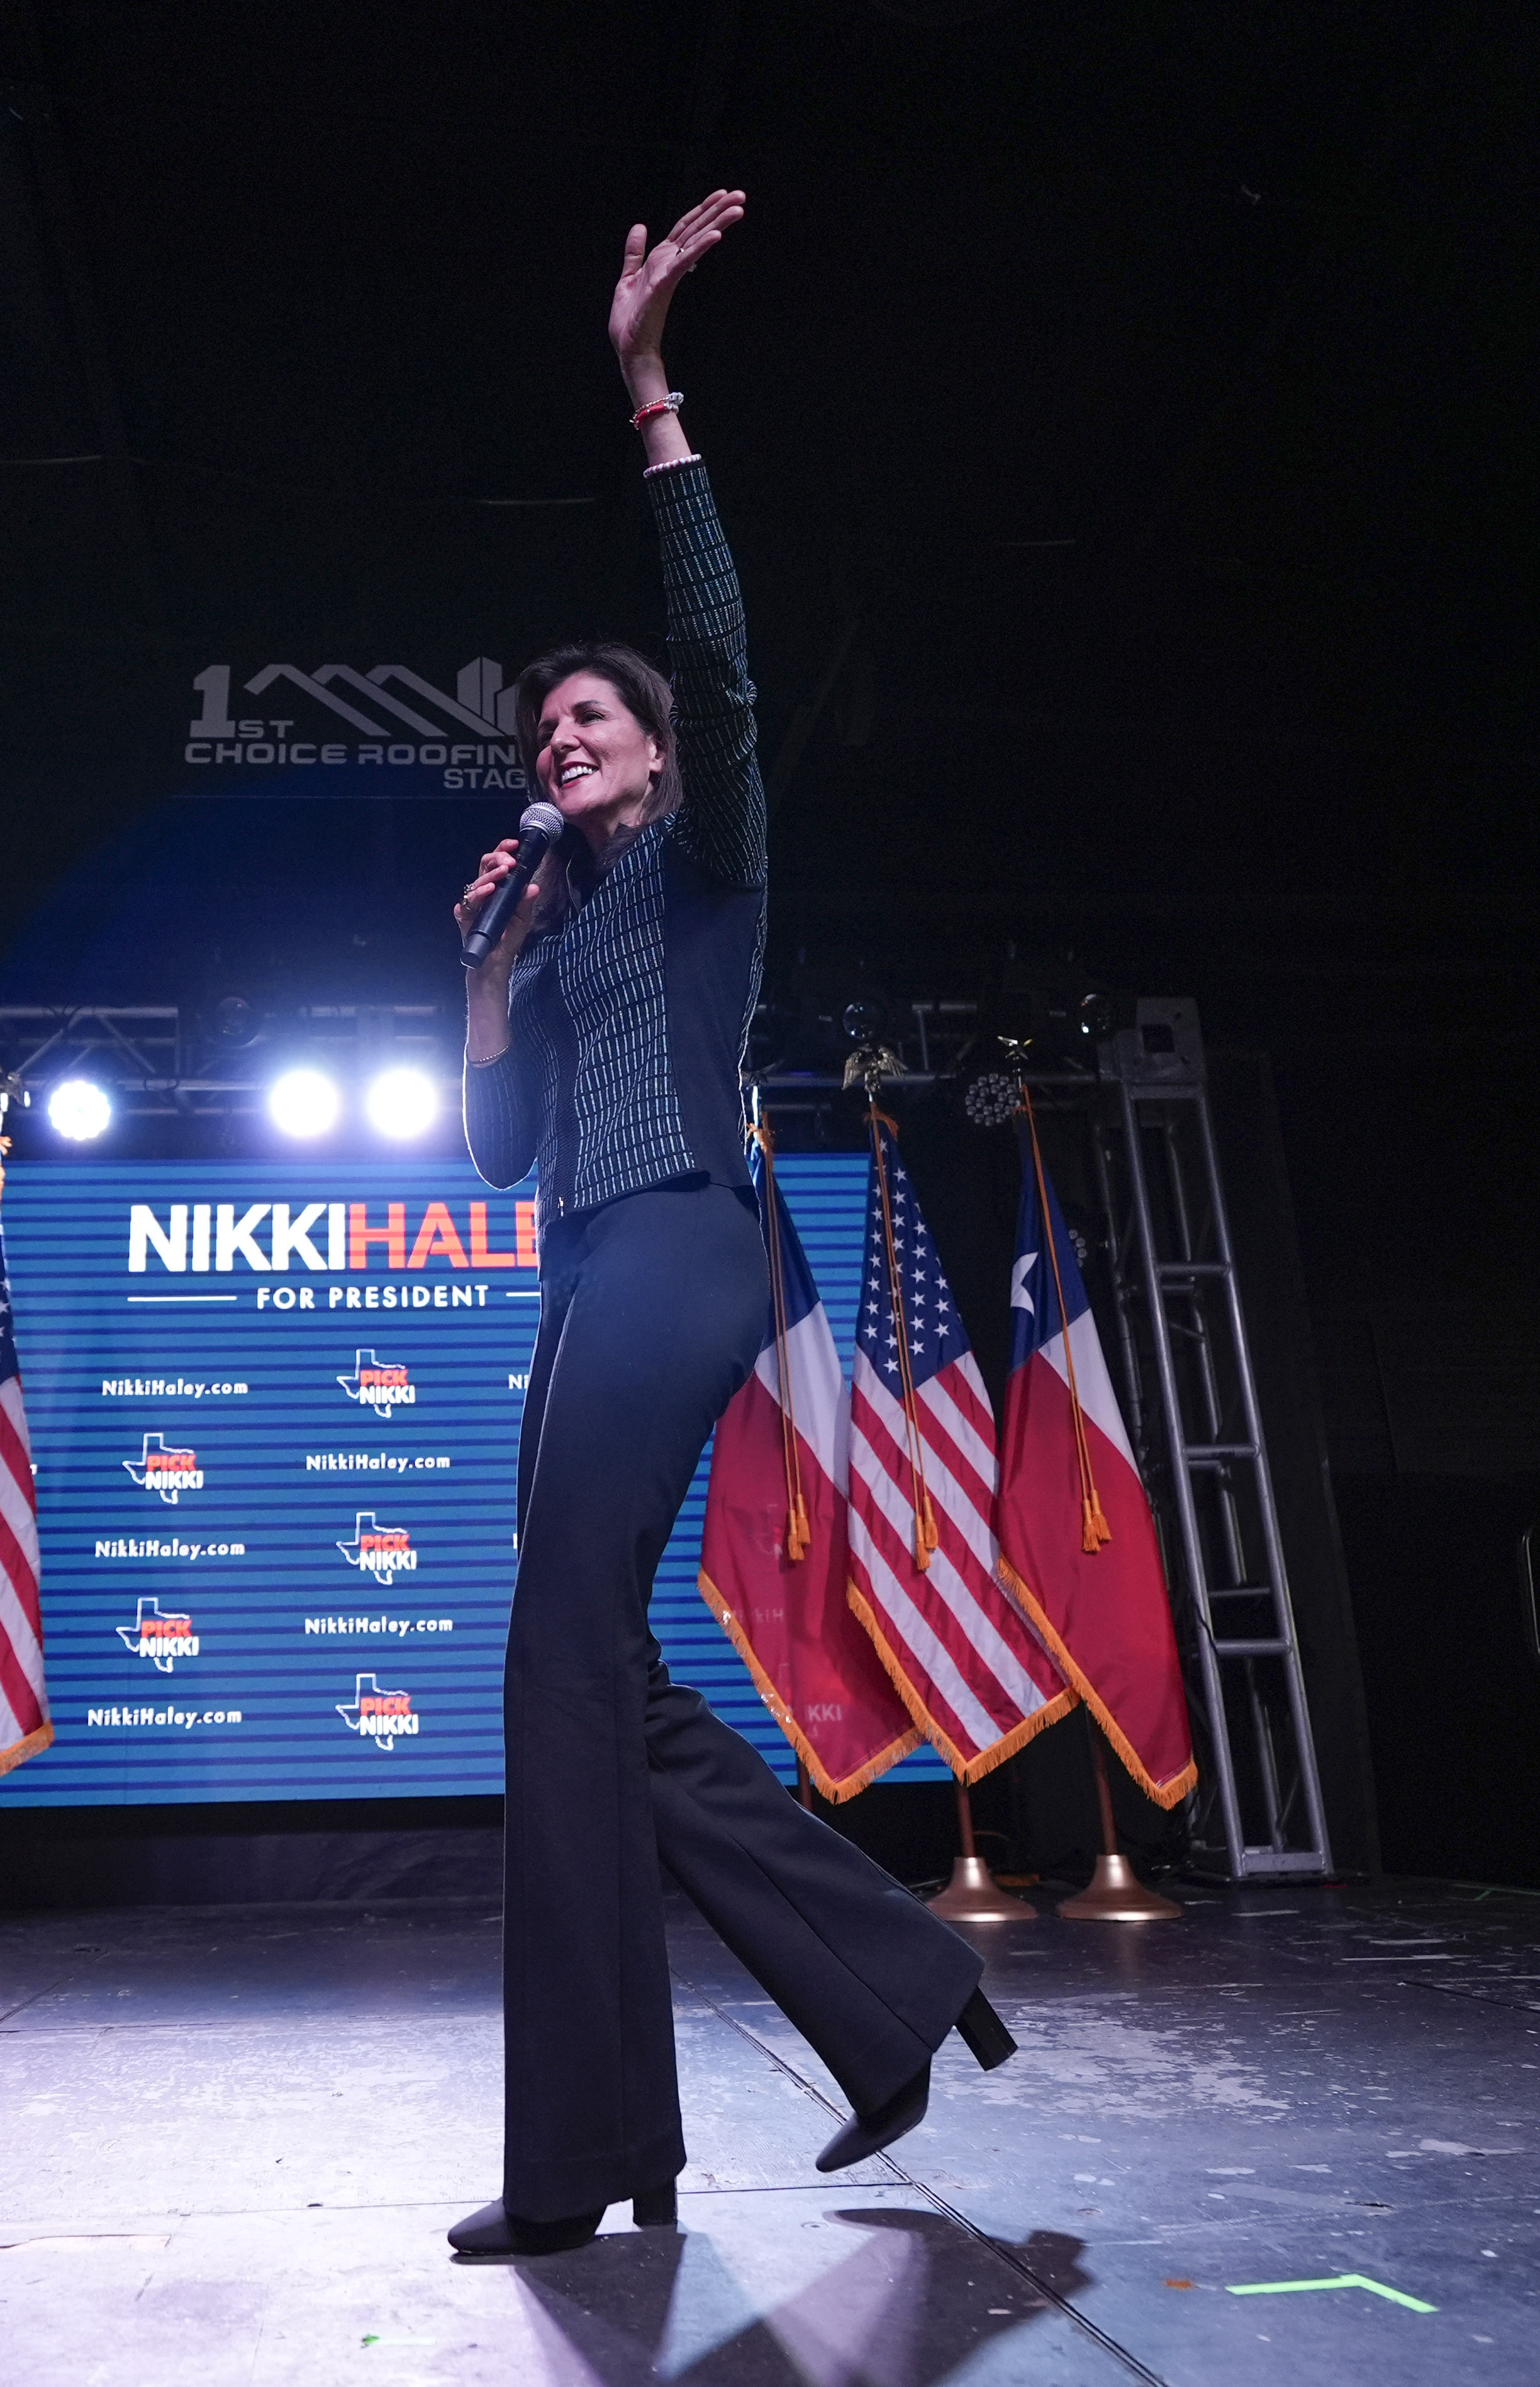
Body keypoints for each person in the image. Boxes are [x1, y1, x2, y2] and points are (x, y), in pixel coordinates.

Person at [446, 191, 1010, 2258]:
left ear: (655, 757)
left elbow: (720, 661)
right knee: (583, 1669)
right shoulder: (575, 925)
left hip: (687, 1247)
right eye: (539, 734)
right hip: (579, 1265)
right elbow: (497, 1159)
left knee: (558, 1655)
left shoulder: (705, 873)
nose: (559, 740)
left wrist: (650, 399)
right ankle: (874, 2004)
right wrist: (487, 976)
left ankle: (590, 2152)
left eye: (587, 722)